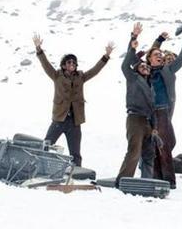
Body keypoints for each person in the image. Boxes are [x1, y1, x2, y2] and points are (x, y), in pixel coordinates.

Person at [32, 34, 113, 166]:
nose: (72, 64)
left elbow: (95, 70)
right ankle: (36, 166)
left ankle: (76, 173)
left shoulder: (81, 77)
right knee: (46, 145)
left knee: (75, 152)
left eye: (74, 62)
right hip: (59, 118)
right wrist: (39, 49)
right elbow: (45, 64)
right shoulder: (56, 75)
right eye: (69, 62)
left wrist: (106, 56)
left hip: (75, 121)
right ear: (63, 65)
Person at [141, 26, 182, 188]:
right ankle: (156, 177)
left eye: (161, 55)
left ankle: (169, 181)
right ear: (150, 59)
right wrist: (159, 40)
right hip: (148, 113)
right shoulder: (145, 70)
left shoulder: (167, 69)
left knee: (164, 145)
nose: (160, 56)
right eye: (157, 55)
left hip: (162, 111)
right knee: (152, 146)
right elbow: (151, 51)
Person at [116, 23, 159, 181]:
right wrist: (133, 40)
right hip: (135, 119)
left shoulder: (150, 86)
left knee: (149, 154)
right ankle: (123, 180)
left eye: (147, 67)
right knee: (134, 151)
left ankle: (146, 181)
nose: (146, 67)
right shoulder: (133, 78)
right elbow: (125, 64)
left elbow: (153, 108)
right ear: (136, 69)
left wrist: (154, 128)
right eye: (142, 66)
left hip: (148, 121)